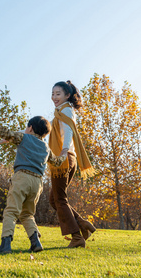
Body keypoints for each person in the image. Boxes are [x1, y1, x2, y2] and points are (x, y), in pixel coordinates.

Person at [0, 116, 65, 253]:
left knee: (11, 211)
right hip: (37, 182)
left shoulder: (24, 137)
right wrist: (65, 153)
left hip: (22, 177)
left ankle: (5, 244)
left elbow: (5, 132)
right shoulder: (46, 147)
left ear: (30, 128)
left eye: (26, 127)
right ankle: (35, 242)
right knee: (27, 214)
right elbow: (57, 162)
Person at [49, 80, 97, 248]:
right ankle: (82, 224)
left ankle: (77, 237)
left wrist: (62, 151)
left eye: (58, 94)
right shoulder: (60, 112)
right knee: (54, 200)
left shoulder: (66, 110)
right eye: (53, 94)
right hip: (67, 158)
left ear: (67, 95)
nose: (54, 97)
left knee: (59, 199)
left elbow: (68, 130)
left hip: (65, 158)